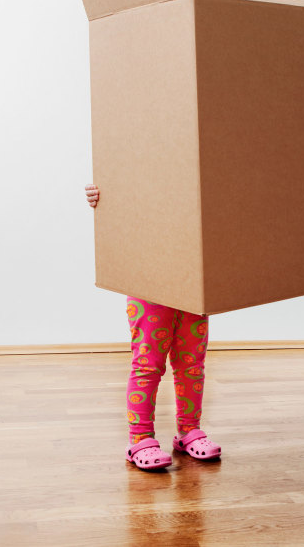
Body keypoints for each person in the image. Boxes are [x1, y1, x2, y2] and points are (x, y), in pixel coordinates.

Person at [84, 184, 222, 471]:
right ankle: (140, 439)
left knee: (191, 364)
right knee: (148, 365)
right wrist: (103, 198)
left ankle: (188, 431)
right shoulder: (141, 170)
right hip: (148, 281)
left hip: (192, 279)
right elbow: (120, 202)